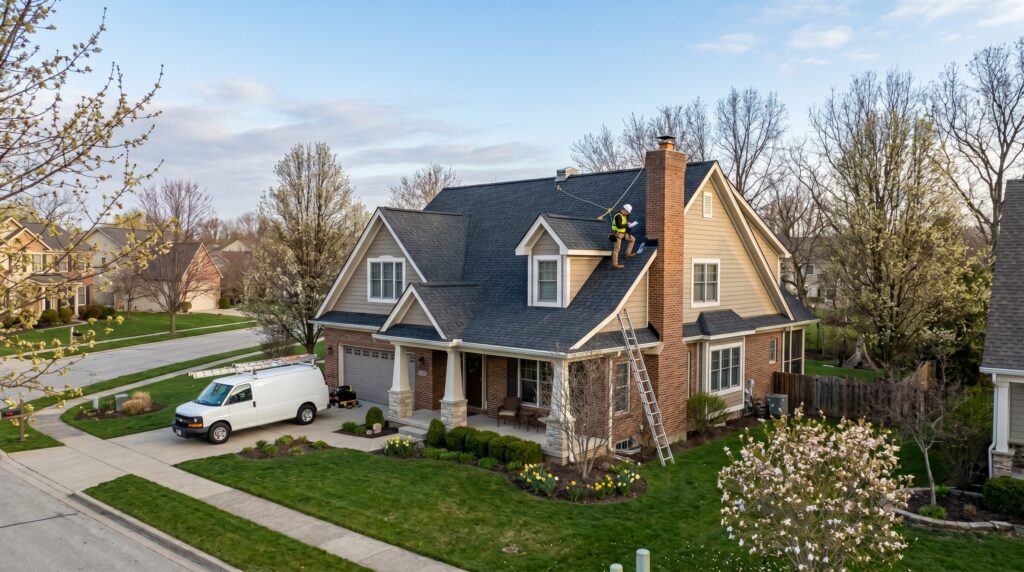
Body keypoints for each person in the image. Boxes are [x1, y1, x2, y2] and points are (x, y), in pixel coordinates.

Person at [611, 204, 638, 269]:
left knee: (632, 239)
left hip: (624, 233)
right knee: (617, 249)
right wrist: (627, 225)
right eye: (627, 212)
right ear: (624, 210)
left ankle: (627, 254)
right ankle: (615, 264)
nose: (628, 213)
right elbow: (619, 225)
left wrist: (629, 230)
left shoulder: (624, 216)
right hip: (617, 234)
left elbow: (625, 226)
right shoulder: (618, 216)